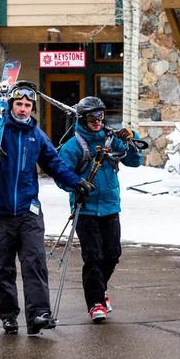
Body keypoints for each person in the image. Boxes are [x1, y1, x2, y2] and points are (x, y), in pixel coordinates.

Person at [0, 80, 91, 336]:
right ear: (11, 105)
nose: (23, 109)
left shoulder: (37, 136)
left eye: (27, 105)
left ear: (32, 107)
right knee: (2, 269)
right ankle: (9, 316)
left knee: (34, 263)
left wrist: (76, 183)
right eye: (19, 104)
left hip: (28, 212)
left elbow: (55, 165)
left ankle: (38, 315)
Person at [58, 96, 143, 323]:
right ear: (82, 118)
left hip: (110, 206)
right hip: (85, 209)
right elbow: (60, 176)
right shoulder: (73, 146)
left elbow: (134, 162)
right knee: (93, 256)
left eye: (100, 115)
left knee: (113, 254)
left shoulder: (110, 139)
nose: (97, 120)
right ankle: (96, 303)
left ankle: (100, 288)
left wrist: (131, 140)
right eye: (91, 116)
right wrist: (76, 185)